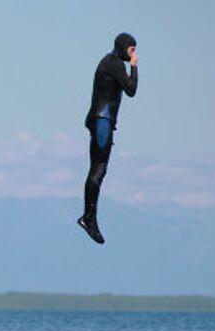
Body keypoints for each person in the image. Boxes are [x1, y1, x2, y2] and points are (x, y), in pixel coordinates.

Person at [79, 32, 138, 244]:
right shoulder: (114, 64)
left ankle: (89, 217)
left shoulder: (108, 61)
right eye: (131, 50)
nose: (134, 54)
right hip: (102, 121)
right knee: (99, 168)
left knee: (97, 168)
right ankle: (88, 218)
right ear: (123, 48)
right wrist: (134, 65)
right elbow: (131, 89)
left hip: (100, 120)